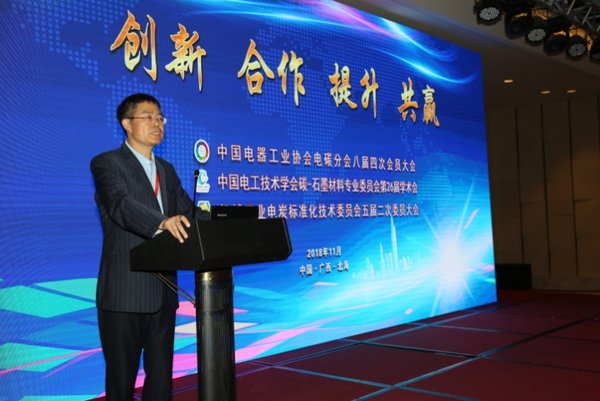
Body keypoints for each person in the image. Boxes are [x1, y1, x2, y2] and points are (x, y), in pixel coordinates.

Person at [91, 93, 198, 400]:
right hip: (124, 292)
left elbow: (188, 213)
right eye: (148, 117)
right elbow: (120, 206)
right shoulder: (107, 164)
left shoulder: (166, 170)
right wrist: (163, 222)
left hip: (163, 293)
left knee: (161, 381)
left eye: (160, 118)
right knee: (121, 382)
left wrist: (224, 222)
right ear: (126, 123)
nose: (157, 123)